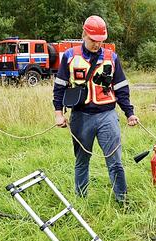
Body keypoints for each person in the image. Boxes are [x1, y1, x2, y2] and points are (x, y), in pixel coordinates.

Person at [53, 15, 139, 204]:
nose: (97, 45)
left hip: (107, 115)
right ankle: (81, 203)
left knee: (115, 162)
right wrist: (59, 114)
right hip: (81, 117)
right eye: (93, 40)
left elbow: (121, 88)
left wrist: (129, 113)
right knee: (82, 161)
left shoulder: (111, 57)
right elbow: (59, 87)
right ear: (84, 34)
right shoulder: (69, 57)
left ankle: (122, 201)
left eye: (101, 41)